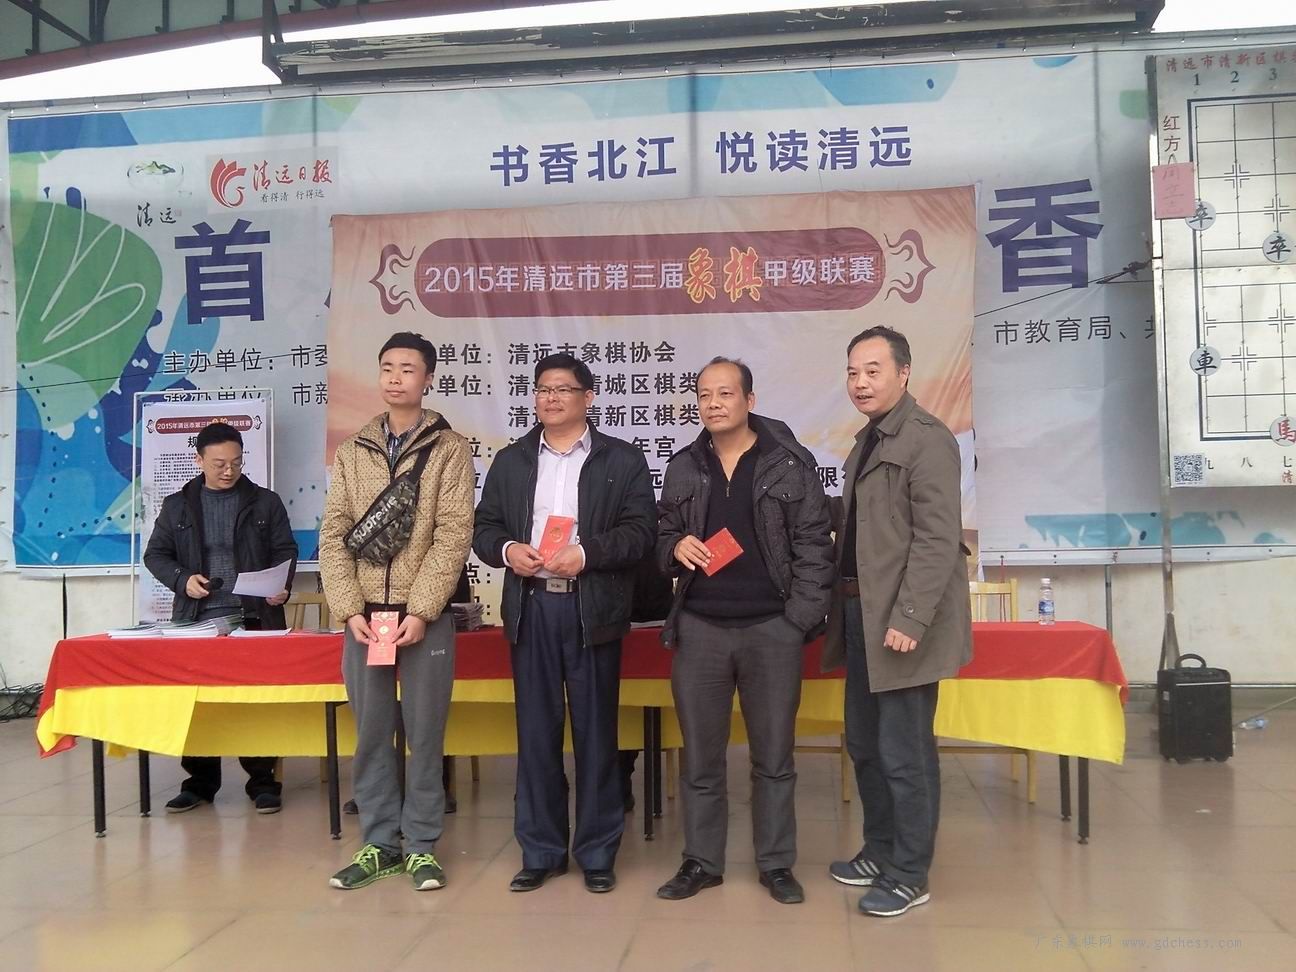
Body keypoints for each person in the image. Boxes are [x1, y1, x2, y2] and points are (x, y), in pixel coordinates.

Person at [473, 352, 656, 895]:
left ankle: (597, 853)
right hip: (532, 607)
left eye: (563, 389)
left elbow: (641, 532)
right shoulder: (512, 460)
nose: (550, 398)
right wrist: (508, 549)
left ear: (588, 397)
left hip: (590, 607)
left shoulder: (621, 459)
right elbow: (484, 529)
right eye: (542, 389)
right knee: (536, 733)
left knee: (597, 734)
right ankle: (542, 851)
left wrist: (588, 553)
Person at [654, 357, 833, 905]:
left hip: (771, 629)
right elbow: (662, 532)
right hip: (701, 628)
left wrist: (797, 620)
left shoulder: (788, 463)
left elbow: (814, 543)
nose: (713, 404)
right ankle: (701, 862)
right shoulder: (684, 466)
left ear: (749, 401)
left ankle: (776, 864)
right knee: (701, 758)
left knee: (773, 758)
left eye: (725, 393)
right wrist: (674, 546)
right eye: (704, 395)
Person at [823, 326, 972, 917]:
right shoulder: (867, 440)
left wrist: (910, 617)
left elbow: (937, 540)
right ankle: (880, 850)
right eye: (853, 372)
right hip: (861, 615)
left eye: (873, 370)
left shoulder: (927, 439)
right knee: (865, 744)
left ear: (903, 373)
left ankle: (910, 873)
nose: (860, 382)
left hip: (903, 623)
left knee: (904, 752)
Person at [319, 332, 475, 892]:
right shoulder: (354, 449)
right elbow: (334, 533)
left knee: (425, 734)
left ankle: (422, 846)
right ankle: (380, 843)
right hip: (365, 619)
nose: (395, 378)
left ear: (428, 378)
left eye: (407, 369)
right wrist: (348, 608)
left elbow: (453, 534)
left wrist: (422, 608)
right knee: (371, 732)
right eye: (387, 367)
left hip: (422, 618)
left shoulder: (450, 448)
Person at [143, 421, 298, 815]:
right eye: (219, 464)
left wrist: (281, 586)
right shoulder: (177, 505)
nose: (229, 471)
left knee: (255, 702)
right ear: (199, 460)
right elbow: (156, 555)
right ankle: (199, 783)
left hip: (253, 615)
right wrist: (182, 580)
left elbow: (285, 550)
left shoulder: (265, 502)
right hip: (197, 618)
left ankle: (262, 782)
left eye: (236, 462)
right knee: (199, 702)